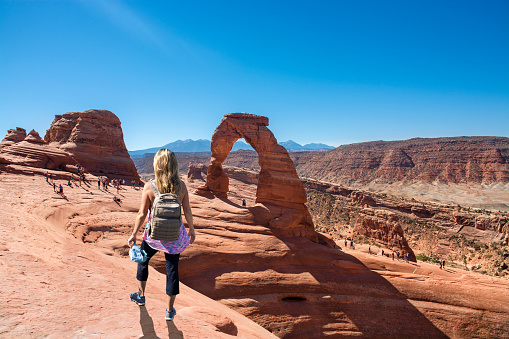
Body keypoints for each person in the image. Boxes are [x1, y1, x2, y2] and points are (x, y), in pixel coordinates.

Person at [128, 149, 196, 321]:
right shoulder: (181, 186)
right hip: (175, 236)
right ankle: (169, 311)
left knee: (143, 261)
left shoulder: (149, 186)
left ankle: (141, 296)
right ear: (174, 165)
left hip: (153, 236)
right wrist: (192, 230)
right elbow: (187, 210)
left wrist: (134, 233)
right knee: (172, 271)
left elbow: (142, 214)